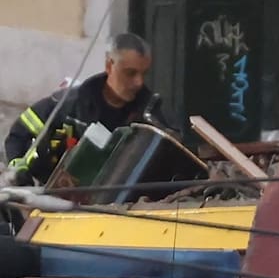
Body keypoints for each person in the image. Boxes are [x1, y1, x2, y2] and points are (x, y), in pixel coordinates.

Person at [3, 33, 169, 185]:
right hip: (61, 204)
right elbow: (19, 134)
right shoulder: (69, 105)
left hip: (122, 207)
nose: (139, 82)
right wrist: (19, 171)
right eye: (130, 73)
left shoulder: (151, 114)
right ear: (109, 66)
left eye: (144, 74)